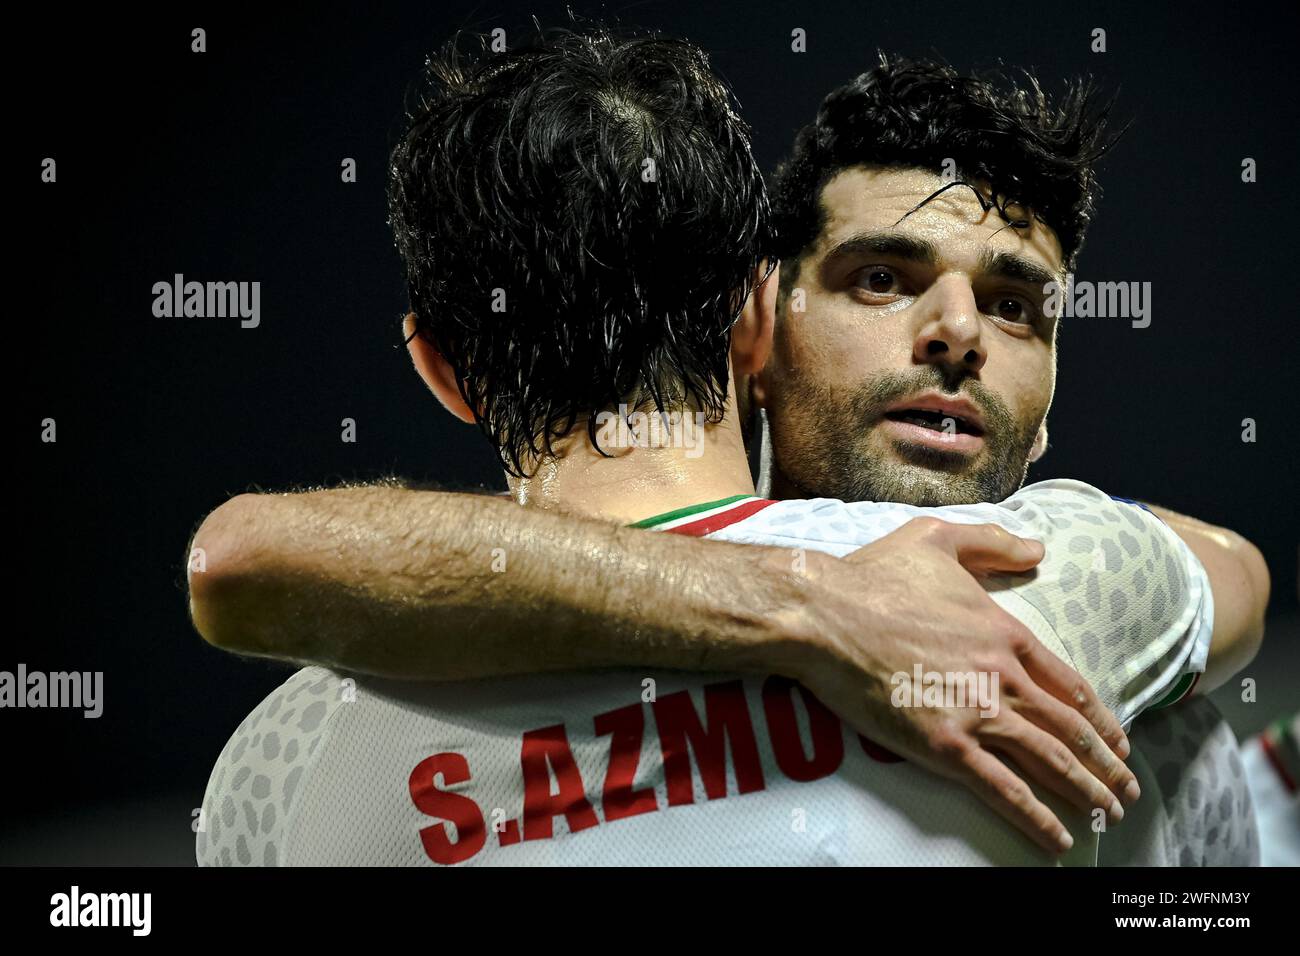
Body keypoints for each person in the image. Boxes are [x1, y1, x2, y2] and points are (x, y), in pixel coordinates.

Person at [190, 28, 1268, 865]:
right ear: (759, 319)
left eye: (1017, 306)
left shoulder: (271, 773)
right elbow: (1227, 573)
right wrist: (807, 601)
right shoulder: (1041, 603)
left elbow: (241, 555)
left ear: (440, 369)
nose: (955, 333)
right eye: (880, 277)